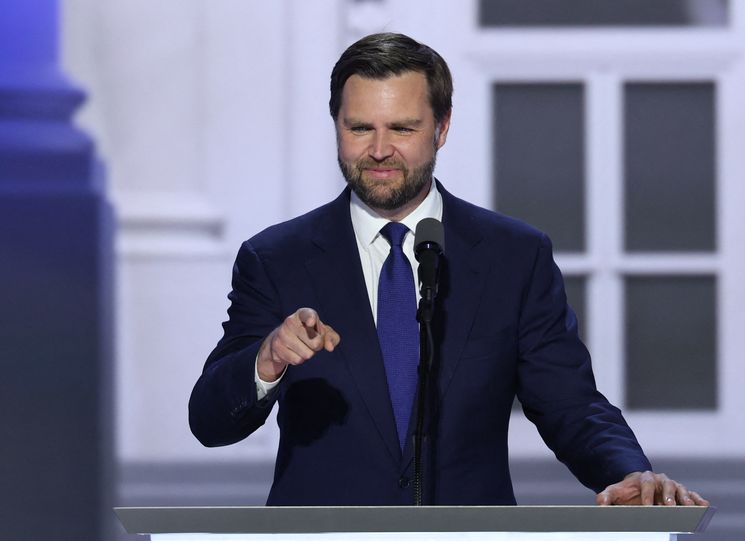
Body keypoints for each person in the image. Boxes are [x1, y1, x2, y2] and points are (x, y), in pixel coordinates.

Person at [188, 32, 709, 507]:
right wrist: (266, 359)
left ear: (442, 127)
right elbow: (209, 421)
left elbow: (570, 404)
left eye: (403, 128)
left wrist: (631, 473)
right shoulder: (276, 257)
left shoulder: (513, 256)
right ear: (336, 126)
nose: (379, 150)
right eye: (359, 128)